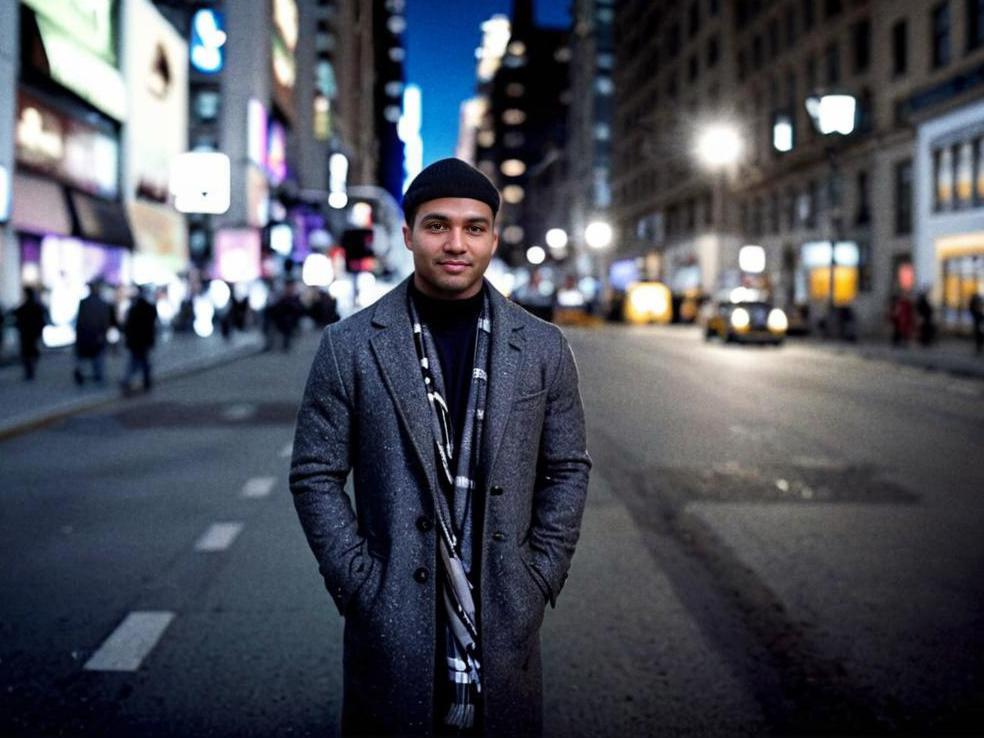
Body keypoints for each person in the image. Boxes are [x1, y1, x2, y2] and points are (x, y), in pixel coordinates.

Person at [290, 158, 591, 737]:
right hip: (392, 612)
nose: (456, 243)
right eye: (437, 226)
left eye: (474, 227)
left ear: (493, 238)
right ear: (407, 235)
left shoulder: (544, 348)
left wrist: (540, 574)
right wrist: (358, 582)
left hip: (505, 607)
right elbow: (315, 472)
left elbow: (569, 469)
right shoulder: (349, 345)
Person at [73, 280, 114, 385]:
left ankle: (86, 376)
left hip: (87, 336)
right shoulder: (102, 303)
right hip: (96, 336)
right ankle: (98, 377)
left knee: (86, 359)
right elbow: (105, 322)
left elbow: (80, 322)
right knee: (98, 359)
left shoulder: (85, 303)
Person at [120, 285, 158, 394]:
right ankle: (141, 381)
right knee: (143, 362)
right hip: (143, 341)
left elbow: (128, 326)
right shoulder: (148, 308)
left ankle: (128, 380)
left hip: (136, 342)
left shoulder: (134, 308)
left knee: (135, 362)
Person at [13, 287, 46, 380]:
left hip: (27, 333)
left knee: (28, 352)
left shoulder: (27, 307)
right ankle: (30, 371)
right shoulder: (35, 307)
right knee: (31, 352)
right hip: (30, 333)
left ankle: (30, 371)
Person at [970, 292, 984, 356]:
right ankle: (979, 347)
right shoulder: (977, 313)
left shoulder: (973, 304)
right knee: (979, 334)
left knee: (978, 333)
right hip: (978, 322)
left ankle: (979, 347)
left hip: (978, 322)